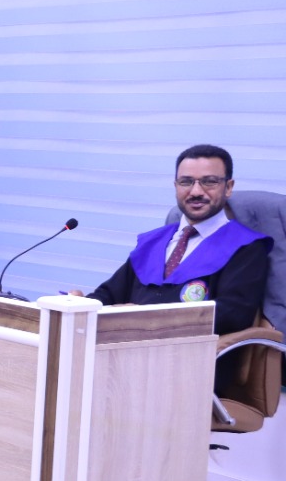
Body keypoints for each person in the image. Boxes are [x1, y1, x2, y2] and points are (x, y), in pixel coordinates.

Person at [85, 144, 270, 337]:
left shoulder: (245, 247)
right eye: (186, 182)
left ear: (228, 187)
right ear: (176, 186)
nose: (196, 191)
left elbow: (233, 315)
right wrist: (81, 305)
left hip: (191, 350)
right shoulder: (153, 241)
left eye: (209, 182)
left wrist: (144, 318)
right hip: (128, 344)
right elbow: (108, 294)